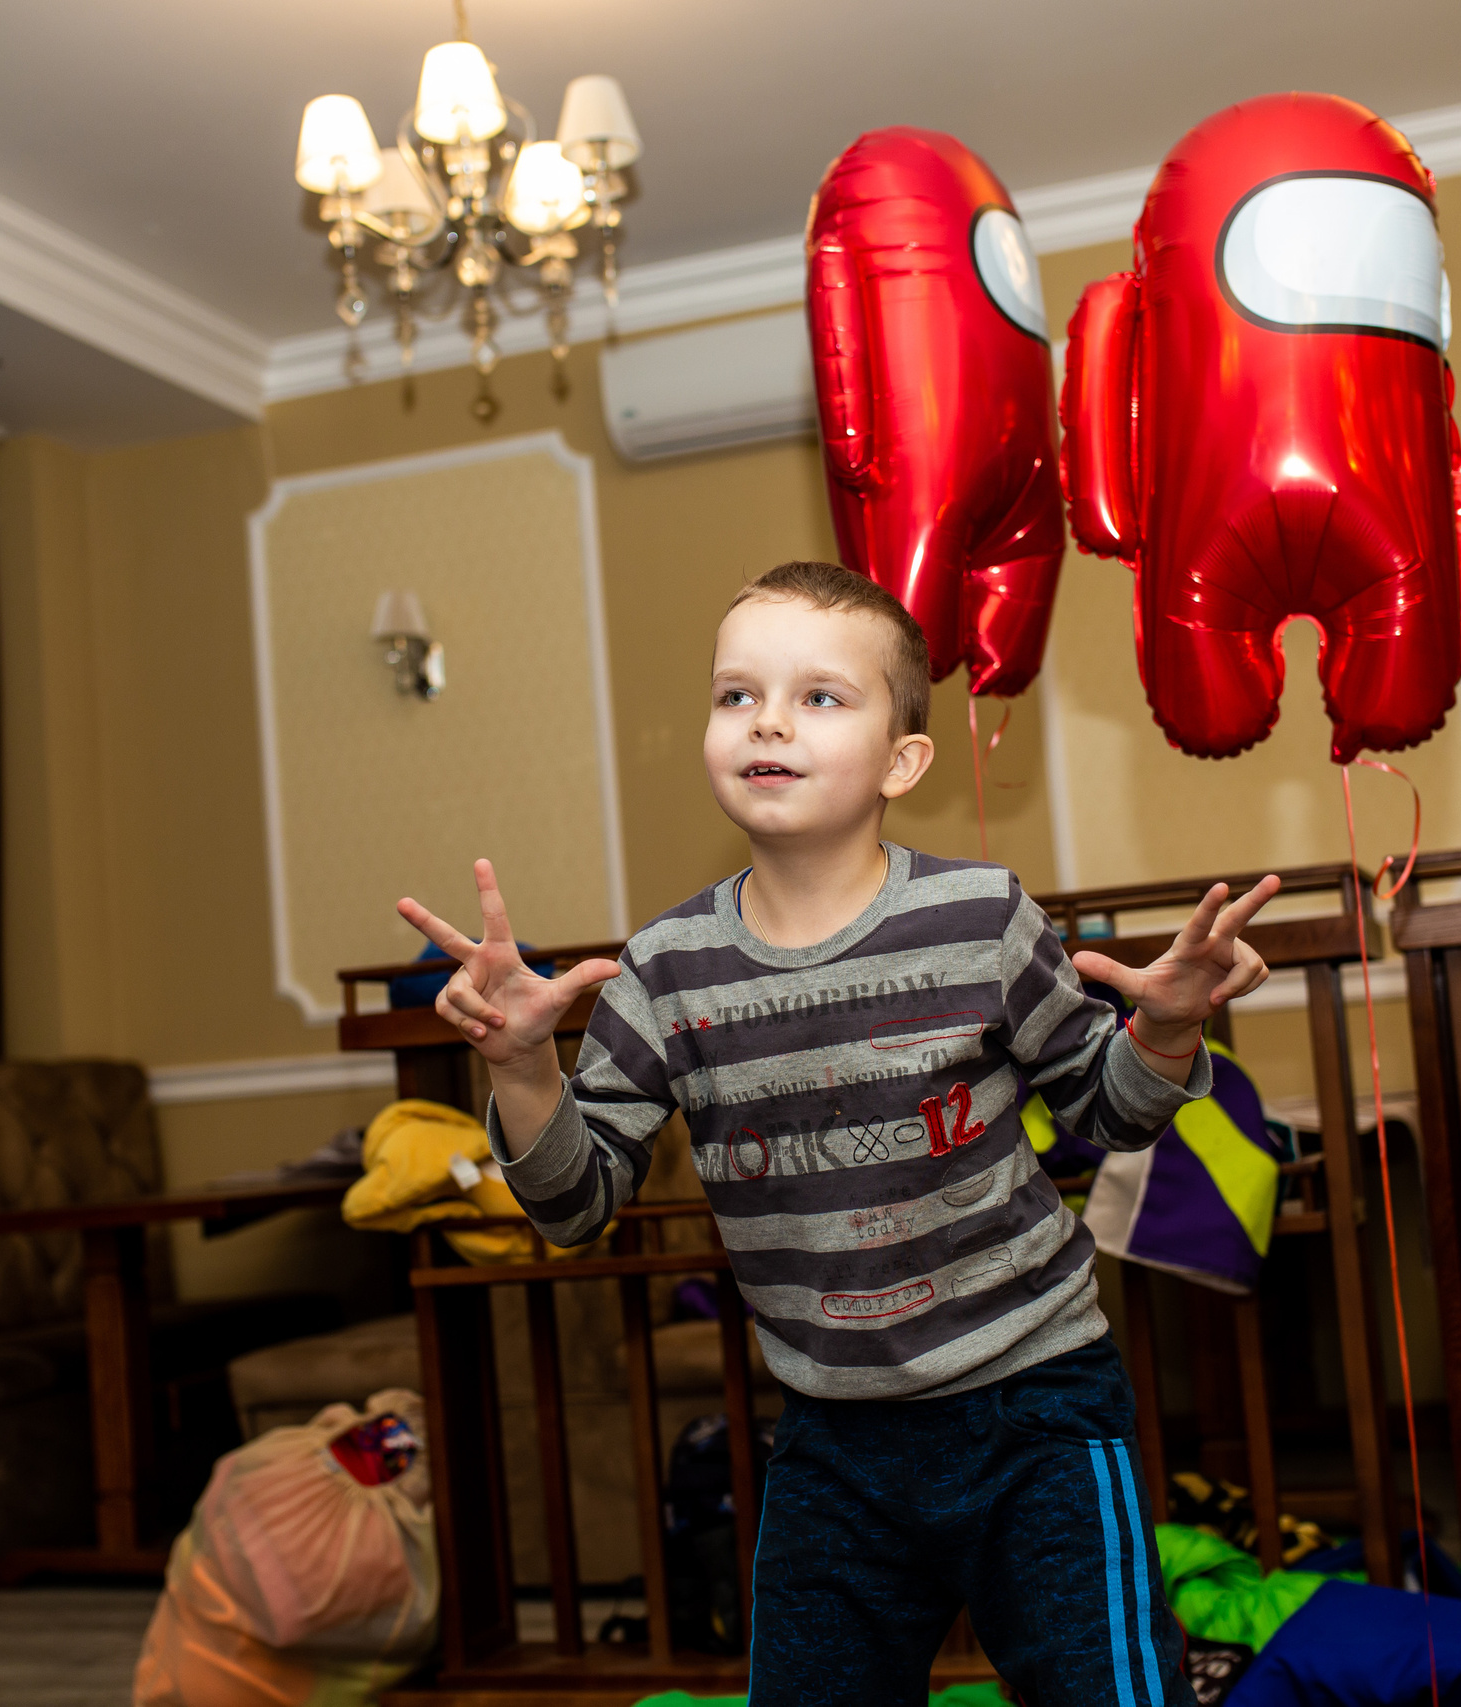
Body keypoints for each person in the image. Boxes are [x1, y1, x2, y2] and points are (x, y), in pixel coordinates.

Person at [397, 560, 1278, 1706]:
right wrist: (521, 1068)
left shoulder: (981, 918)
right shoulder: (664, 971)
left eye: (820, 696)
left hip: (1037, 1407)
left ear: (902, 760)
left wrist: (1161, 1030)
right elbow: (573, 1205)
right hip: (832, 1434)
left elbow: (1106, 1110)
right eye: (735, 695)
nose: (767, 719)